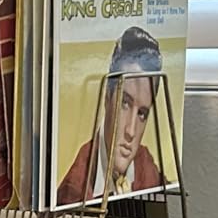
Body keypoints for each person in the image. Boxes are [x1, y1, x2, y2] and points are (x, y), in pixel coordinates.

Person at [56, 26, 165, 207]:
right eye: (125, 103)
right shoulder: (75, 188)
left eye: (142, 114)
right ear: (107, 97)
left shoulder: (146, 165)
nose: (130, 131)